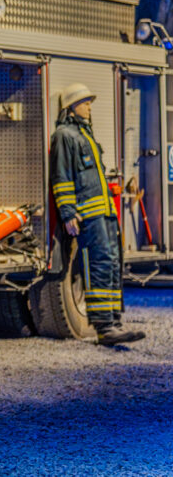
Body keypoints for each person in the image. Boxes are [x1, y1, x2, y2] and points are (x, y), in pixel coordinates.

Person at [50, 83, 145, 346]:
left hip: (104, 213)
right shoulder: (64, 136)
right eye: (84, 102)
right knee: (99, 265)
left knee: (112, 263)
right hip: (87, 216)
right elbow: (61, 177)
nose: (89, 106)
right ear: (70, 107)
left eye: (89, 102)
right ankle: (104, 327)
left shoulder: (86, 135)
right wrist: (68, 213)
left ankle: (113, 321)